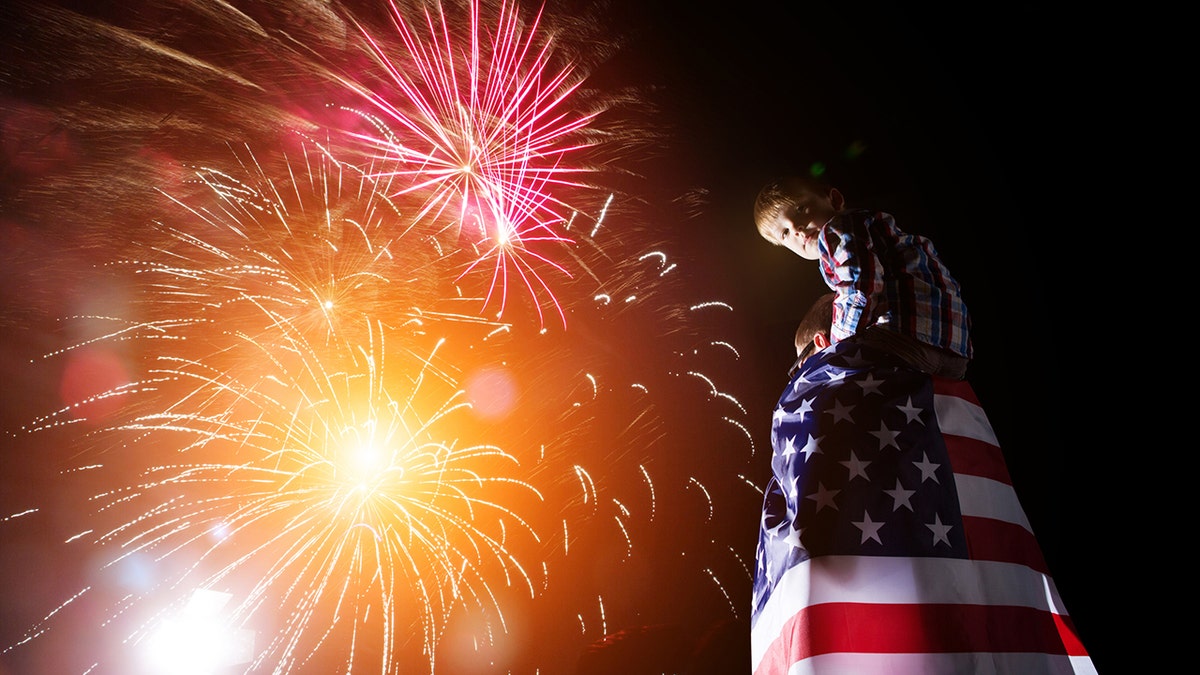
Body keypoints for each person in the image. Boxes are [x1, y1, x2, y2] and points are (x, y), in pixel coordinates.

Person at [751, 295, 1096, 672]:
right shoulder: (933, 385)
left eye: (801, 362)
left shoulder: (819, 401)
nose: (802, 373)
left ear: (820, 344)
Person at [754, 175, 971, 380]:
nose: (797, 228)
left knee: (824, 382)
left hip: (904, 336)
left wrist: (838, 347)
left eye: (800, 208)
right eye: (785, 233)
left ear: (835, 200)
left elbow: (859, 288)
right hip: (955, 349)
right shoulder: (873, 227)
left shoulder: (838, 228)